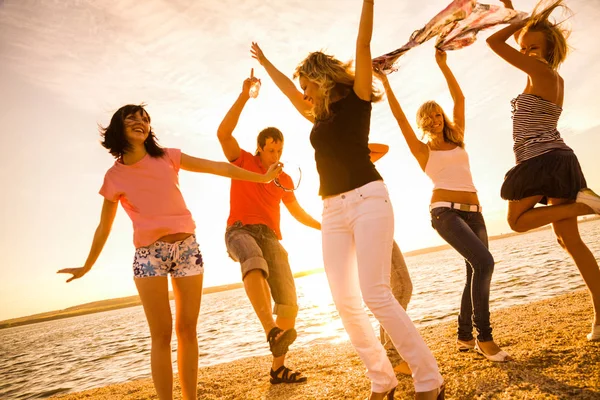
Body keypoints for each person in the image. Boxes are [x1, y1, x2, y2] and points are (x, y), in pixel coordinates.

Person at [250, 1, 445, 398]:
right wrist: (267, 62)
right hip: (332, 208)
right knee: (344, 300)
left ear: (321, 78)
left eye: (306, 83)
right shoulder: (317, 116)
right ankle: (382, 380)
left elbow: (362, 40)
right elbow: (289, 92)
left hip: (369, 198)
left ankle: (430, 380)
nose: (303, 91)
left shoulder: (356, 96)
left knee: (375, 292)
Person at [57, 104, 282, 400]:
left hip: (187, 248)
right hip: (149, 255)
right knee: (161, 335)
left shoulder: (167, 157)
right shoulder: (114, 176)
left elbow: (220, 167)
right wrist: (87, 266)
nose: (141, 121)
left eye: (146, 118)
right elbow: (104, 227)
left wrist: (263, 178)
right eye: (133, 117)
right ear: (117, 126)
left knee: (187, 331)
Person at [374, 49, 510, 362]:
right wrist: (385, 83)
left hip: (475, 214)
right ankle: (484, 338)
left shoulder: (458, 137)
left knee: (474, 269)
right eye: (429, 117)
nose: (435, 120)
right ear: (423, 123)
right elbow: (397, 117)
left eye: (438, 115)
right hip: (444, 212)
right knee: (485, 263)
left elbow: (459, 99)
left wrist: (443, 65)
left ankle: (464, 335)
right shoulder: (422, 151)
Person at [487, 0, 600, 342]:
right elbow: (521, 41)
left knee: (516, 222)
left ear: (549, 49)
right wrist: (513, 13)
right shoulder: (544, 75)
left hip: (543, 159)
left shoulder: (542, 72)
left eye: (533, 47)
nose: (525, 52)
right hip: (554, 158)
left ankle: (584, 204)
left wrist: (517, 21)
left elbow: (493, 43)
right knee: (569, 240)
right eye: (523, 47)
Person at [216, 75, 321, 384]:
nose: (275, 156)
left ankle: (277, 368)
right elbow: (223, 133)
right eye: (270, 150)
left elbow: (298, 213)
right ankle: (270, 330)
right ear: (259, 150)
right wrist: (244, 96)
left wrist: (326, 226)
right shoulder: (243, 161)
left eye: (279, 150)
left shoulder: (284, 180)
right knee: (253, 260)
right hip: (240, 231)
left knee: (289, 300)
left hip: (271, 237)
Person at [369, 143, 413, 375]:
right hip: (372, 229)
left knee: (394, 291)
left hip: (381, 228)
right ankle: (393, 357)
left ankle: (391, 355)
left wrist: (356, 144)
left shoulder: (360, 163)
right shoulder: (349, 167)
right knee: (402, 287)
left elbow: (383, 148)